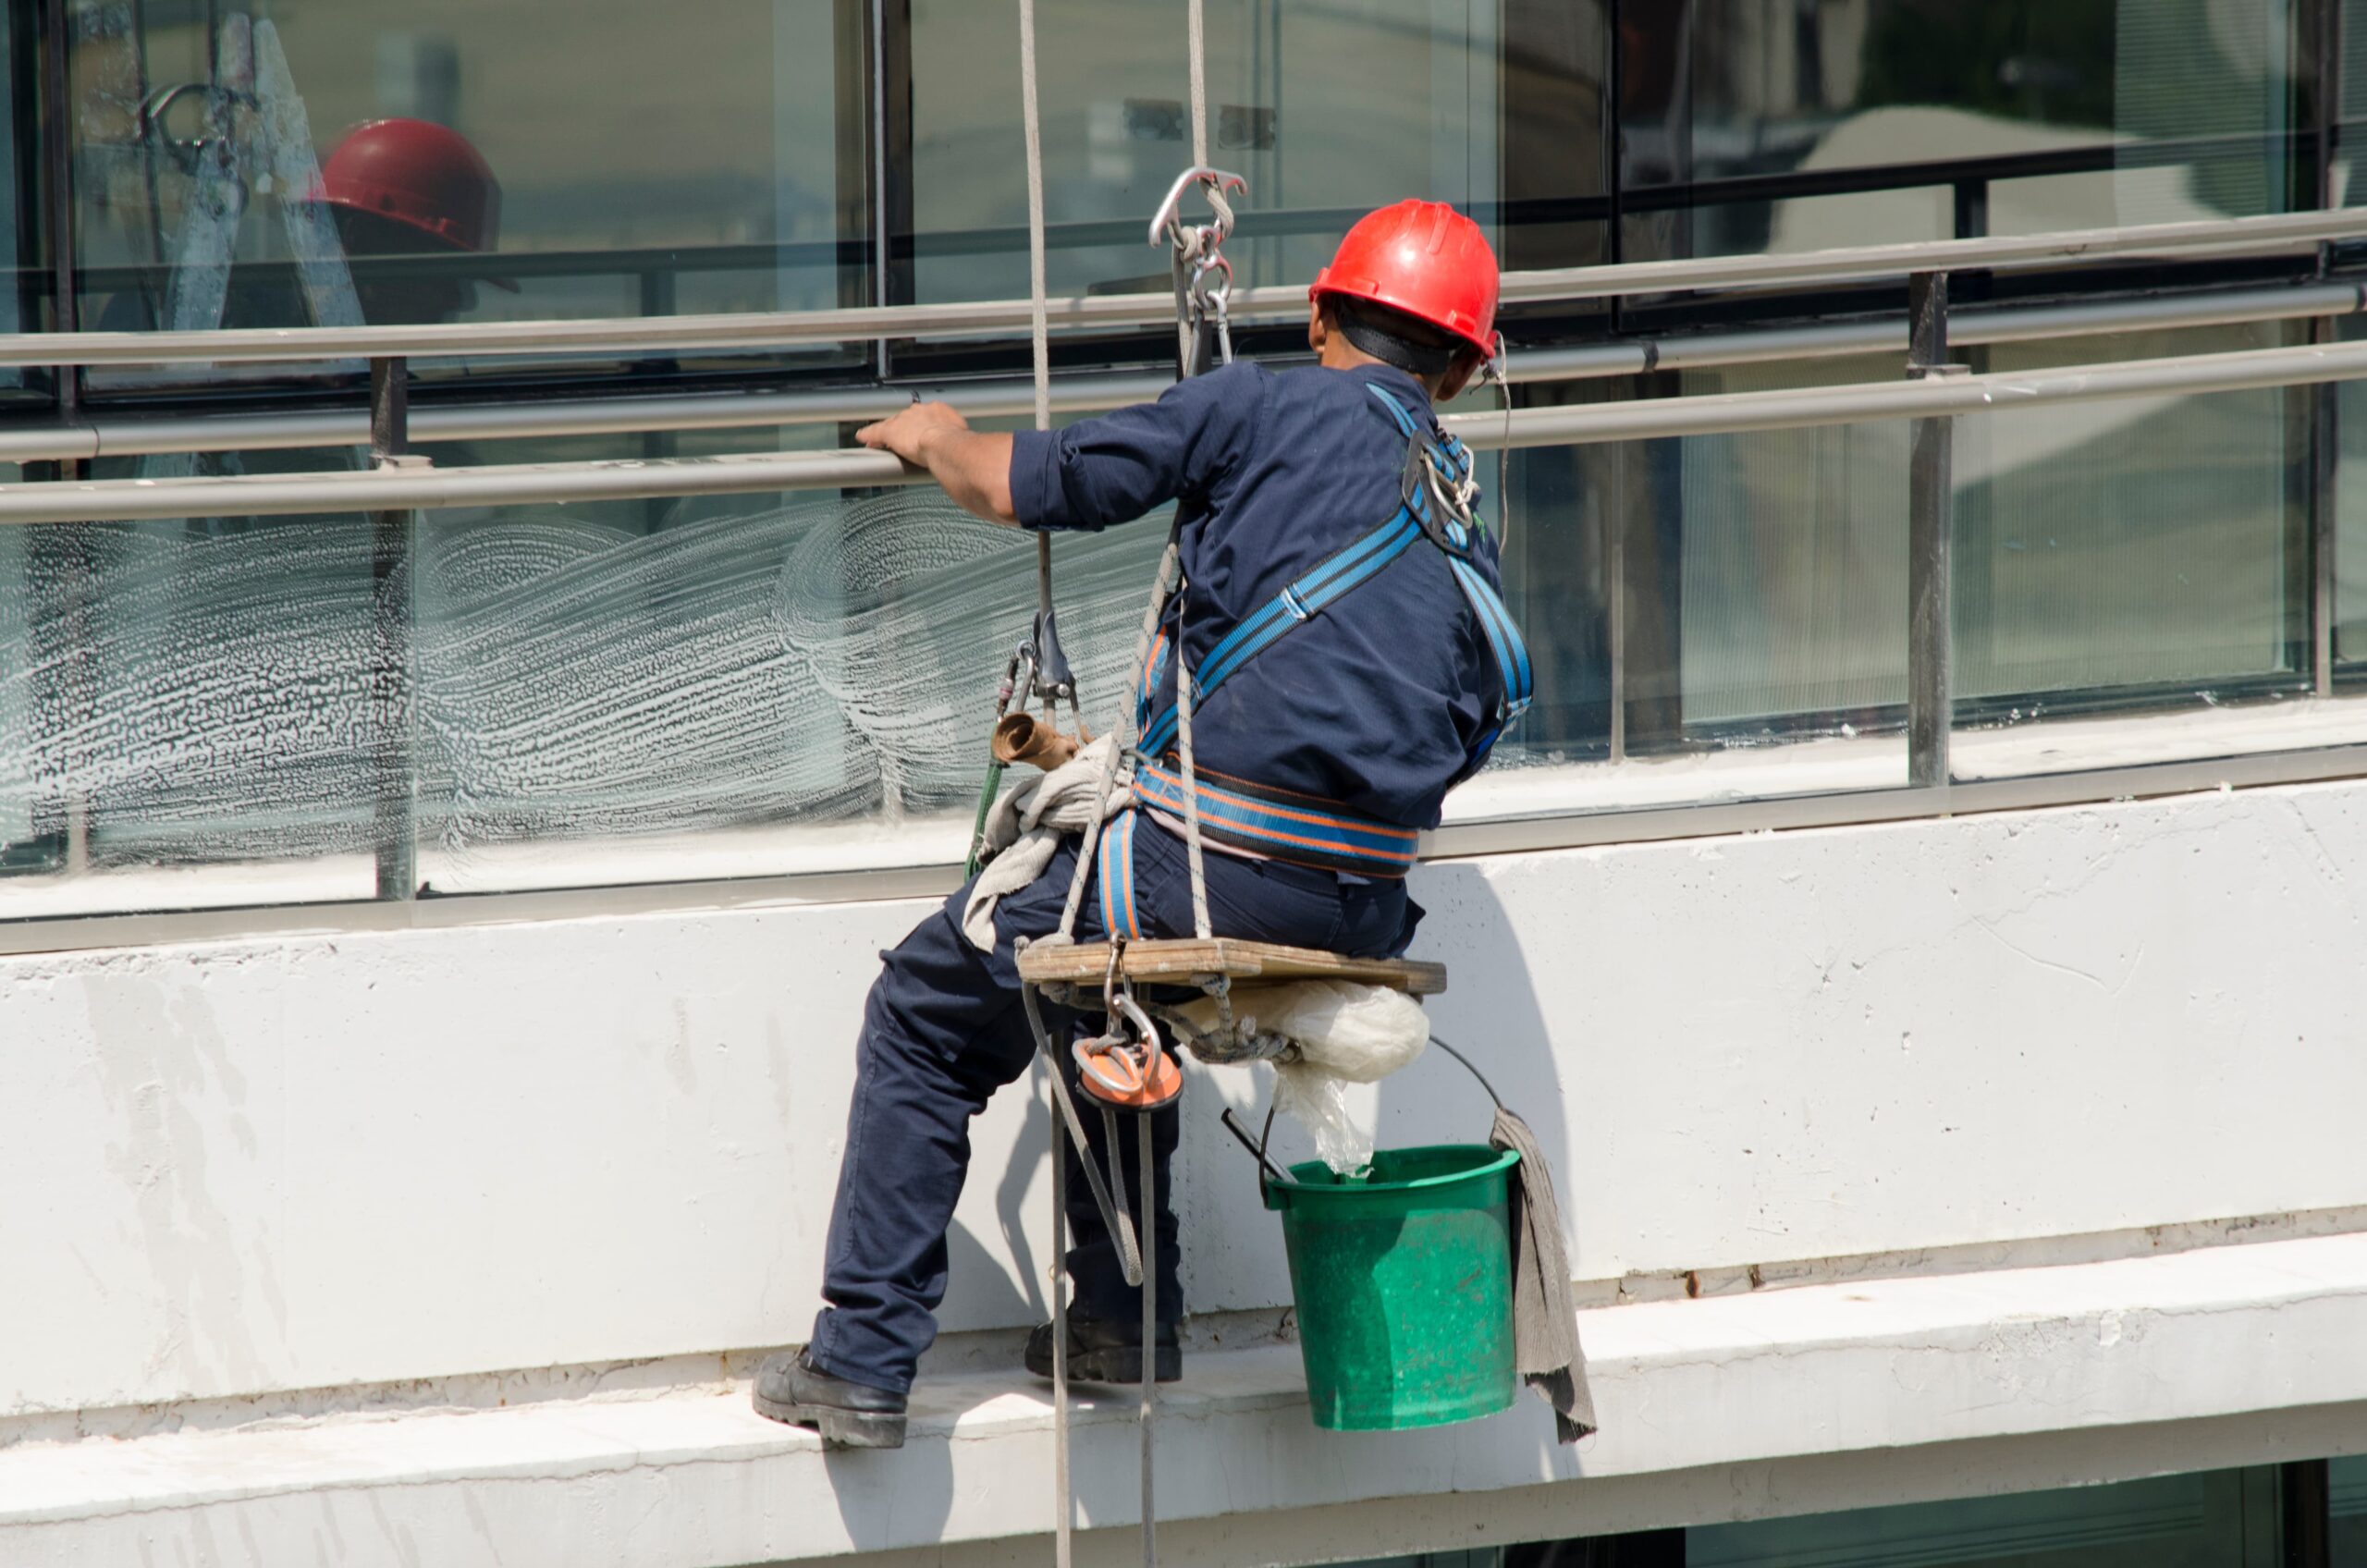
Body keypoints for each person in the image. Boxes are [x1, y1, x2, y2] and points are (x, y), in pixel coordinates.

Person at [754, 201, 1525, 1450]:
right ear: (1461, 370)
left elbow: (1032, 486)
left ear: (1320, 315)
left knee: (924, 1015)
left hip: (1199, 874)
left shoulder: (1257, 406)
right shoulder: (1456, 500)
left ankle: (859, 1358)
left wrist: (941, 436)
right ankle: (1124, 1321)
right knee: (1091, 994)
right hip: (1362, 900)